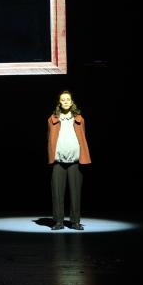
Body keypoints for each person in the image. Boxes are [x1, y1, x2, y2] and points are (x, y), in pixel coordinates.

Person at [47, 90, 91, 230]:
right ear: (59, 103)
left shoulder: (79, 119)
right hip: (58, 161)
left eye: (68, 99)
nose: (65, 101)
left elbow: (82, 137)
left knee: (75, 192)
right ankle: (59, 222)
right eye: (63, 99)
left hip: (75, 161)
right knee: (57, 192)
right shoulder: (52, 119)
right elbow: (49, 138)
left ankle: (75, 221)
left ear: (71, 102)